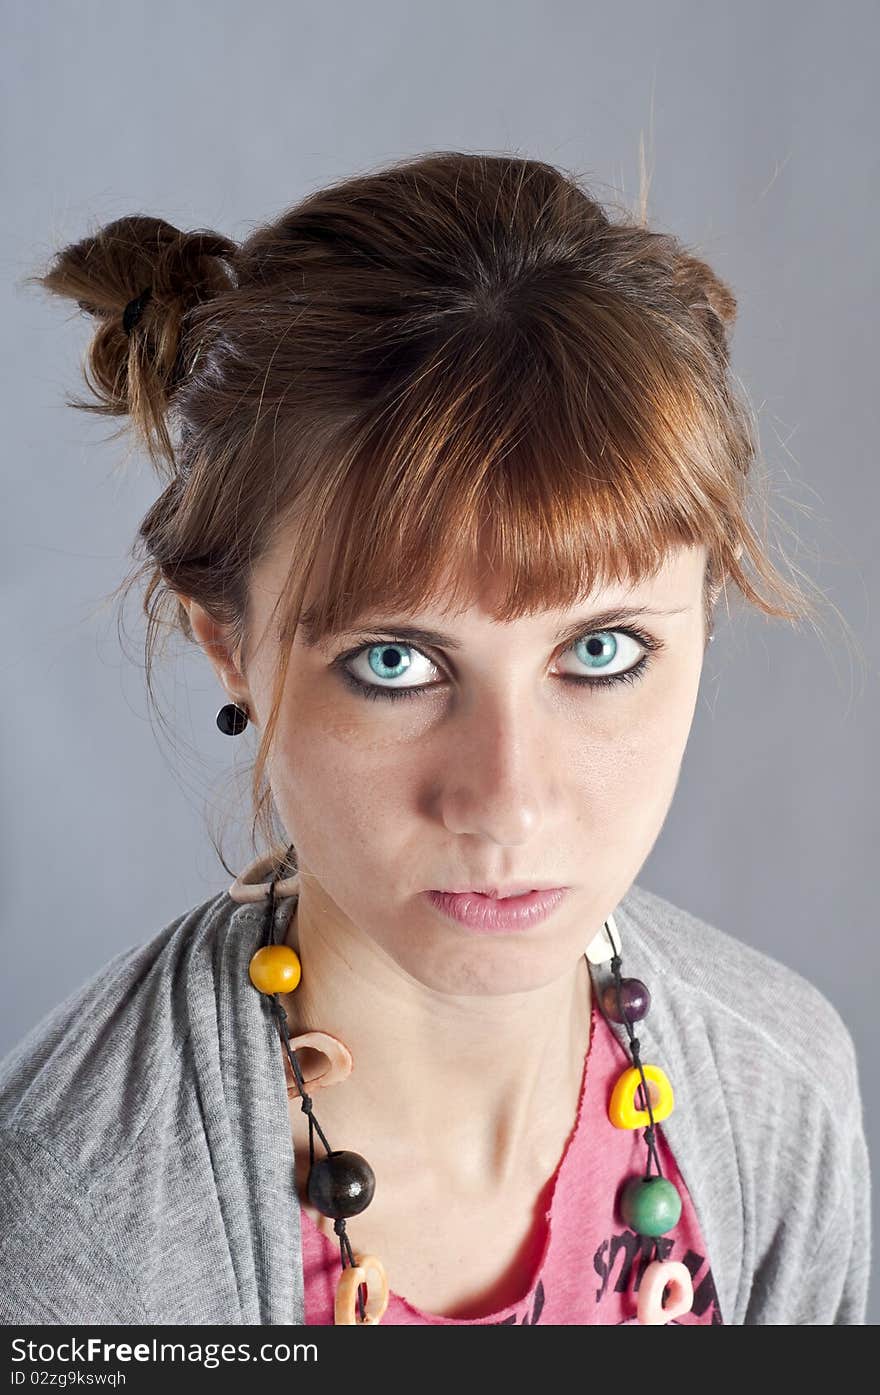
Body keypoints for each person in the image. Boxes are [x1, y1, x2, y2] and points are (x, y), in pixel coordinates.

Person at [0, 151, 870, 1326]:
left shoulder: (781, 1087)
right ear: (226, 644)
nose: (506, 802)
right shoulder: (78, 1224)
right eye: (394, 663)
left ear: (702, 618)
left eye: (601, 651)